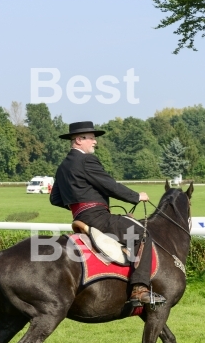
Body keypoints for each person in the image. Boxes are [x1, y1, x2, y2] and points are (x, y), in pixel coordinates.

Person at [50, 121, 166, 307]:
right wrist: (137, 196)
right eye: (91, 138)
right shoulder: (87, 160)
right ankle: (139, 289)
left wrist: (79, 205)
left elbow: (55, 199)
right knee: (142, 234)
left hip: (79, 217)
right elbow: (109, 185)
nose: (95, 142)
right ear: (79, 140)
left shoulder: (63, 166)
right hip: (98, 218)